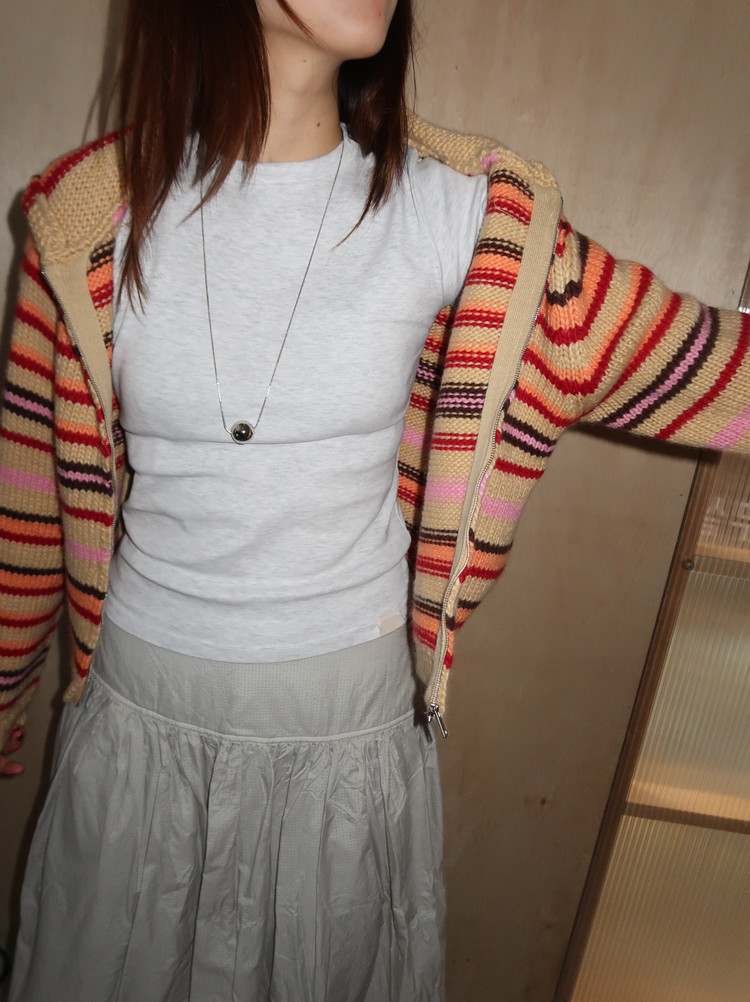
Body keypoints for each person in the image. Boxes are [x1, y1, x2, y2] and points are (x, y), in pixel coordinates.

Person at [1, 0, 749, 999]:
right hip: (135, 732)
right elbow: (27, 518)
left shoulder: (460, 221)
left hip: (344, 751)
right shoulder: (85, 224)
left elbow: (716, 373)